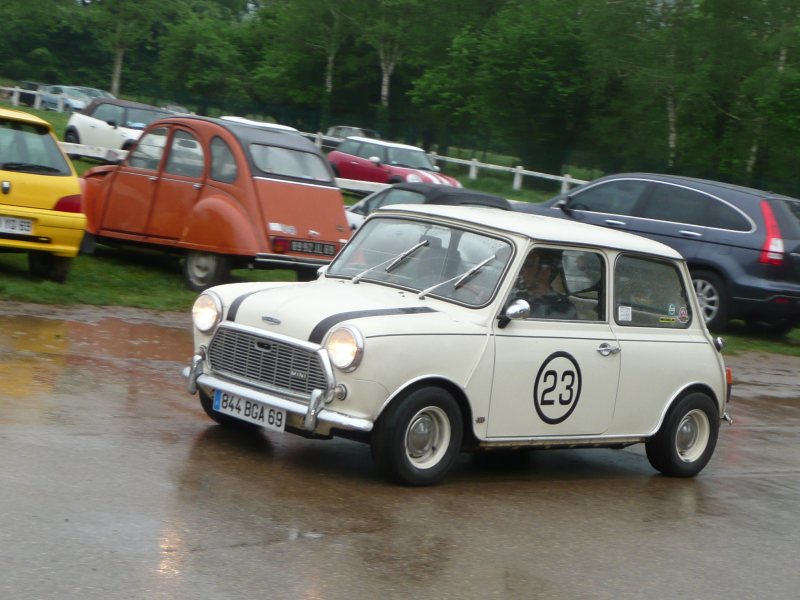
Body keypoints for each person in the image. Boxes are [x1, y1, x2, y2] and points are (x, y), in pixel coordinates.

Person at [513, 249, 577, 319]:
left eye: (528, 265)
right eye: (522, 266)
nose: (521, 270)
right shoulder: (515, 298)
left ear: (545, 272)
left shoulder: (562, 307)